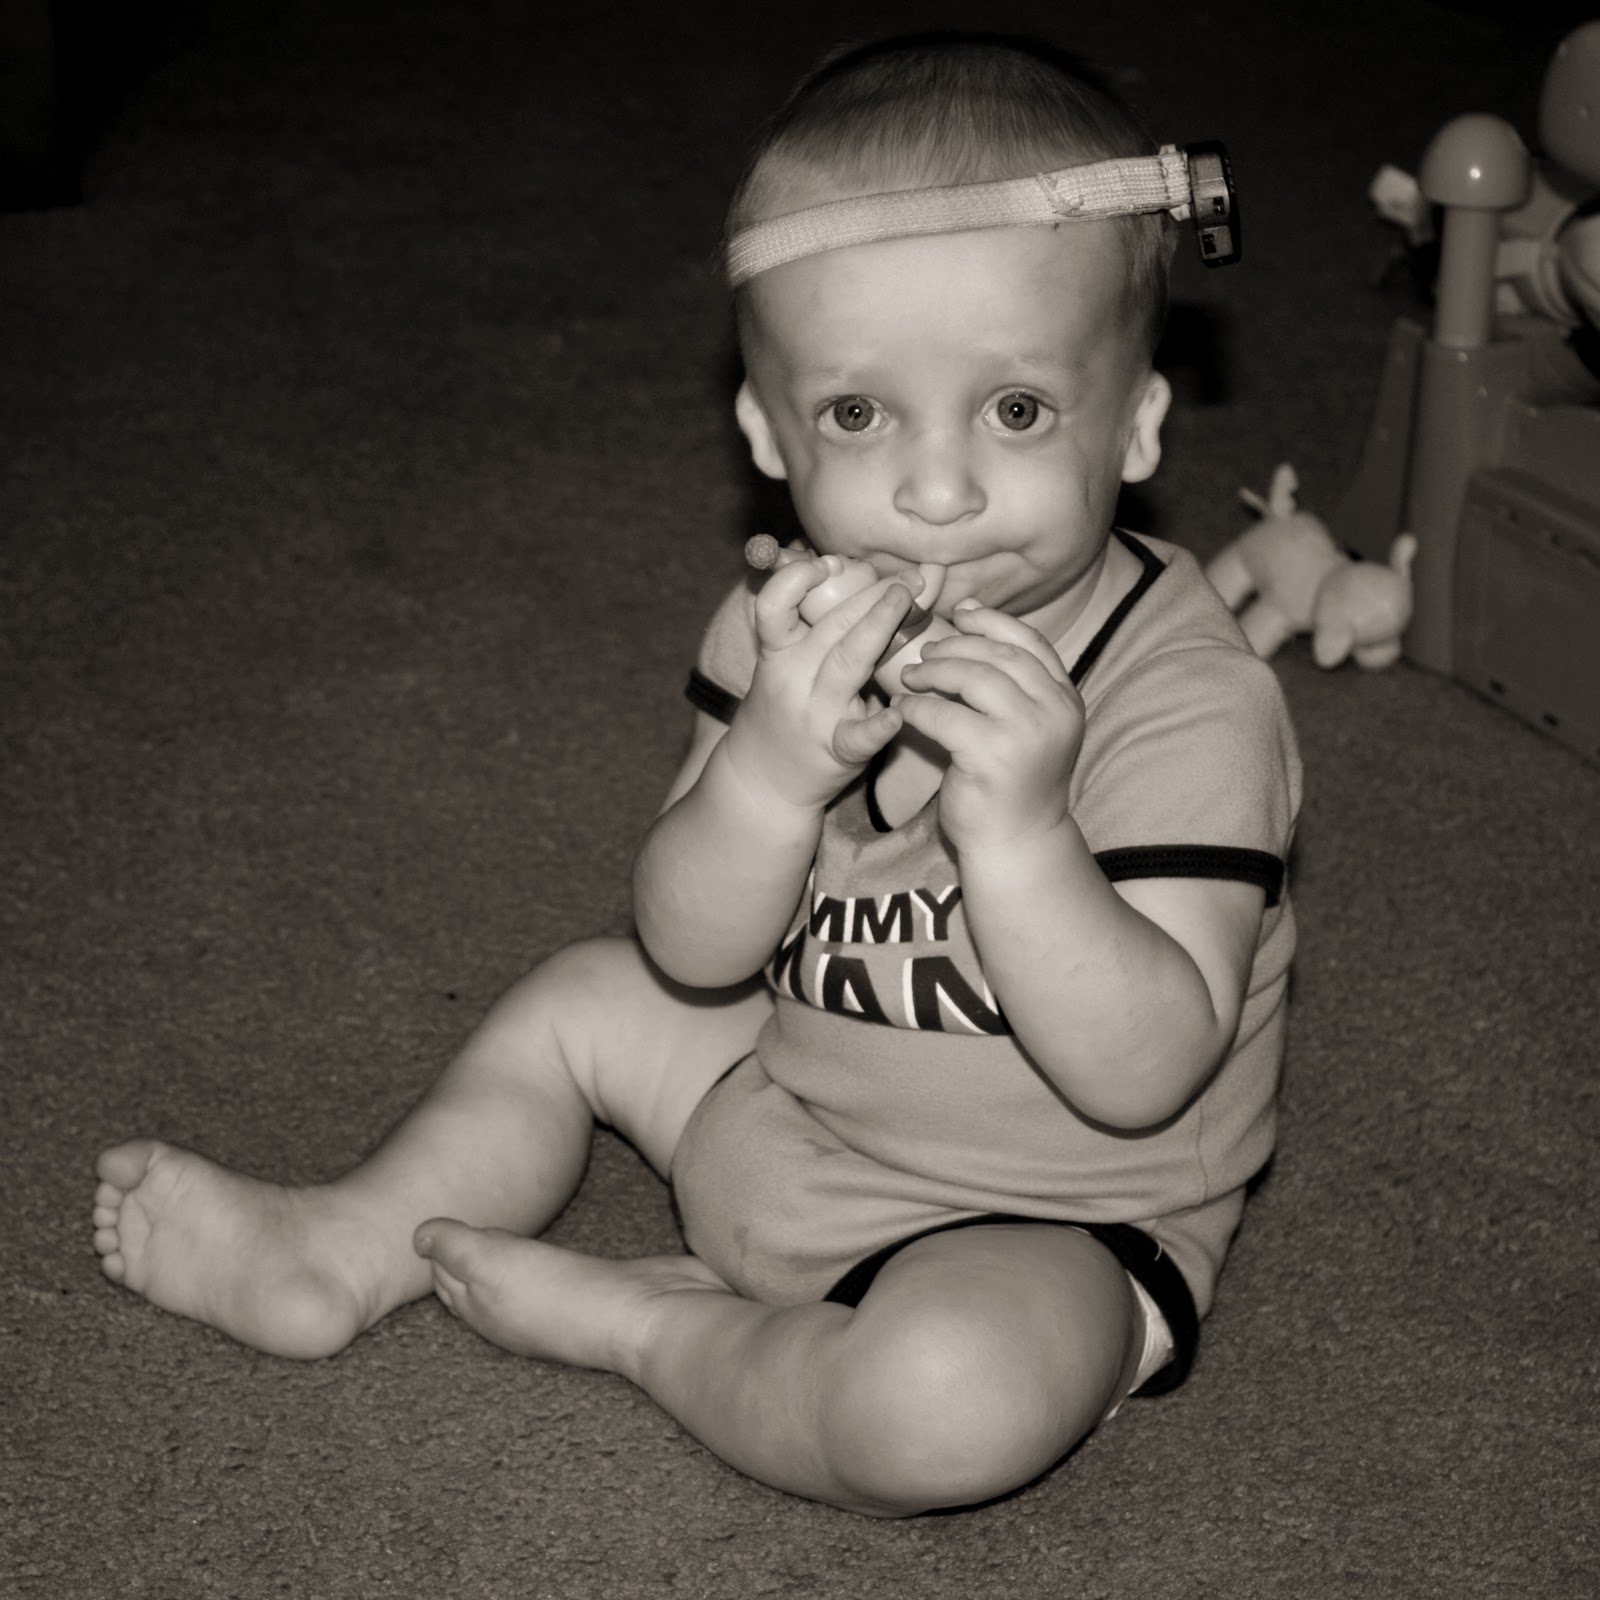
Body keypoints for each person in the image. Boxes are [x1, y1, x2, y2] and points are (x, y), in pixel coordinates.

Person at [91, 32, 1301, 1517]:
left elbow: (1146, 1073)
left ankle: (655, 1327)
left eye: (1017, 410)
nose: (936, 490)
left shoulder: (1188, 698)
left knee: (939, 1410)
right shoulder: (788, 627)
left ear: (1140, 421)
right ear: (765, 432)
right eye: (857, 414)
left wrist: (1026, 837)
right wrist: (765, 778)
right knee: (579, 1000)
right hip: (785, 1100)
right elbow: (693, 945)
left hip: (1041, 1222)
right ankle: (346, 1244)